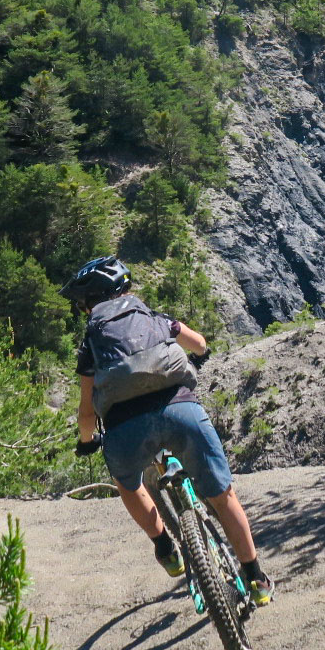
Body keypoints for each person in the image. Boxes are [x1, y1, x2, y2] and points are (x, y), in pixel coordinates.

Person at [66, 255, 273, 605]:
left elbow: (87, 412)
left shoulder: (91, 344)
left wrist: (88, 441)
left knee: (128, 485)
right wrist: (199, 356)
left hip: (125, 428)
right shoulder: (154, 318)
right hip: (179, 408)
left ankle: (165, 547)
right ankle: (254, 576)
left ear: (90, 303)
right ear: (123, 288)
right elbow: (200, 344)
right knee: (223, 497)